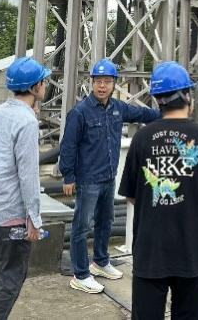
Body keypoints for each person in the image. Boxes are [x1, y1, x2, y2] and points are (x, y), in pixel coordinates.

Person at [119, 61, 198, 320]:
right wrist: (191, 201)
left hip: (150, 253)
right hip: (193, 253)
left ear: (158, 100)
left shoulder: (141, 139)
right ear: (187, 96)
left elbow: (132, 195)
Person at [59, 58, 161, 294]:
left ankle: (100, 261)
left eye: (107, 81)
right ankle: (80, 274)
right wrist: (68, 176)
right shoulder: (80, 112)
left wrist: (168, 114)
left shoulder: (118, 108)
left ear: (114, 83)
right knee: (82, 226)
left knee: (106, 221)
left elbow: (141, 114)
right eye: (98, 81)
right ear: (92, 83)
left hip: (108, 176)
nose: (102, 86)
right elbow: (68, 146)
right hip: (88, 179)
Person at [0, 57, 51, 319]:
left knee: (5, 265)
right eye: (43, 81)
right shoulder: (27, 122)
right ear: (35, 87)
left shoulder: (1, 111)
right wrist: (33, 218)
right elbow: (28, 174)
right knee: (13, 274)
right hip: (13, 212)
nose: (46, 85)